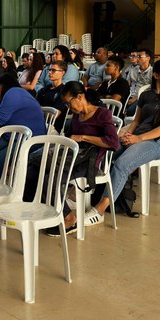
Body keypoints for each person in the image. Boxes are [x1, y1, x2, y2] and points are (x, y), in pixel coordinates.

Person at [88, 60, 160, 222]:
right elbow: (137, 121)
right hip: (137, 136)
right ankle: (85, 194)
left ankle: (100, 210)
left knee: (122, 164)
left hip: (156, 141)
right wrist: (127, 134)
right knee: (102, 153)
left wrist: (138, 138)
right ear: (156, 75)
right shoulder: (146, 95)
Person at [43, 82, 120, 233]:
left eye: (69, 103)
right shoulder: (77, 116)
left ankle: (69, 218)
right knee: (35, 171)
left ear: (79, 97)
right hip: (74, 158)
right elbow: (70, 138)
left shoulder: (102, 114)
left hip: (89, 162)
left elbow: (113, 143)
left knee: (50, 179)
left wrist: (84, 137)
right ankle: (47, 212)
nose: (68, 108)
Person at [124, 48, 153, 116]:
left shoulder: (152, 72)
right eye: (137, 56)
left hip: (142, 98)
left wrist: (136, 98)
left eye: (139, 56)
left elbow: (151, 89)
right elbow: (127, 83)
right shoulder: (133, 69)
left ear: (148, 58)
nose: (137, 58)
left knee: (130, 111)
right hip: (130, 94)